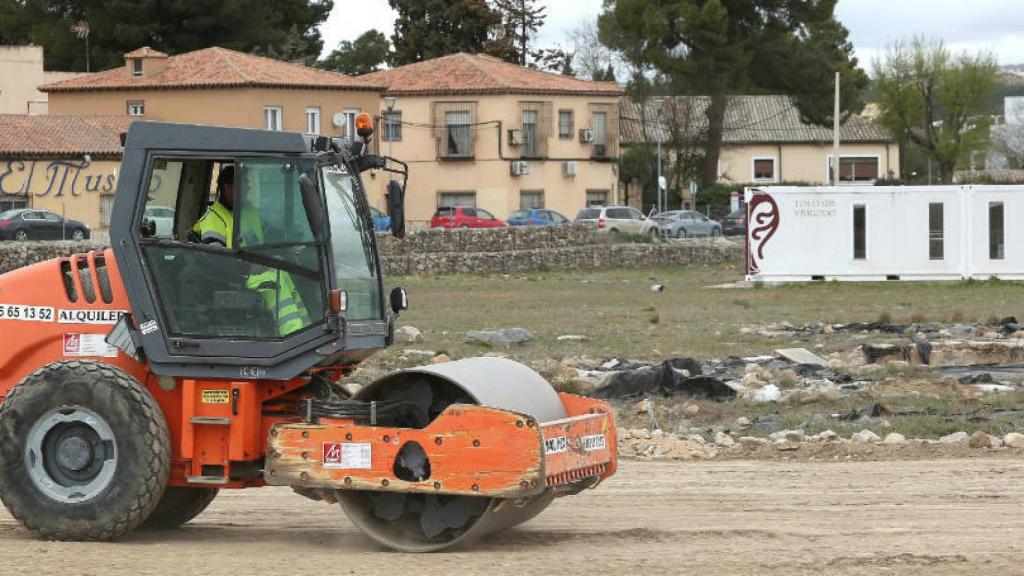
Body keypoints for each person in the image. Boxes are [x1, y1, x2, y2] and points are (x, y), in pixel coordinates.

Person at [191, 164, 310, 336]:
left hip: (254, 270)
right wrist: (248, 268)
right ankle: (293, 334)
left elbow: (270, 234)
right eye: (245, 185)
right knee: (274, 283)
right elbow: (215, 260)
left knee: (285, 274)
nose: (248, 189)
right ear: (228, 188)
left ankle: (306, 331)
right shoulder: (213, 220)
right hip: (235, 277)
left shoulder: (248, 212)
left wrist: (292, 237)